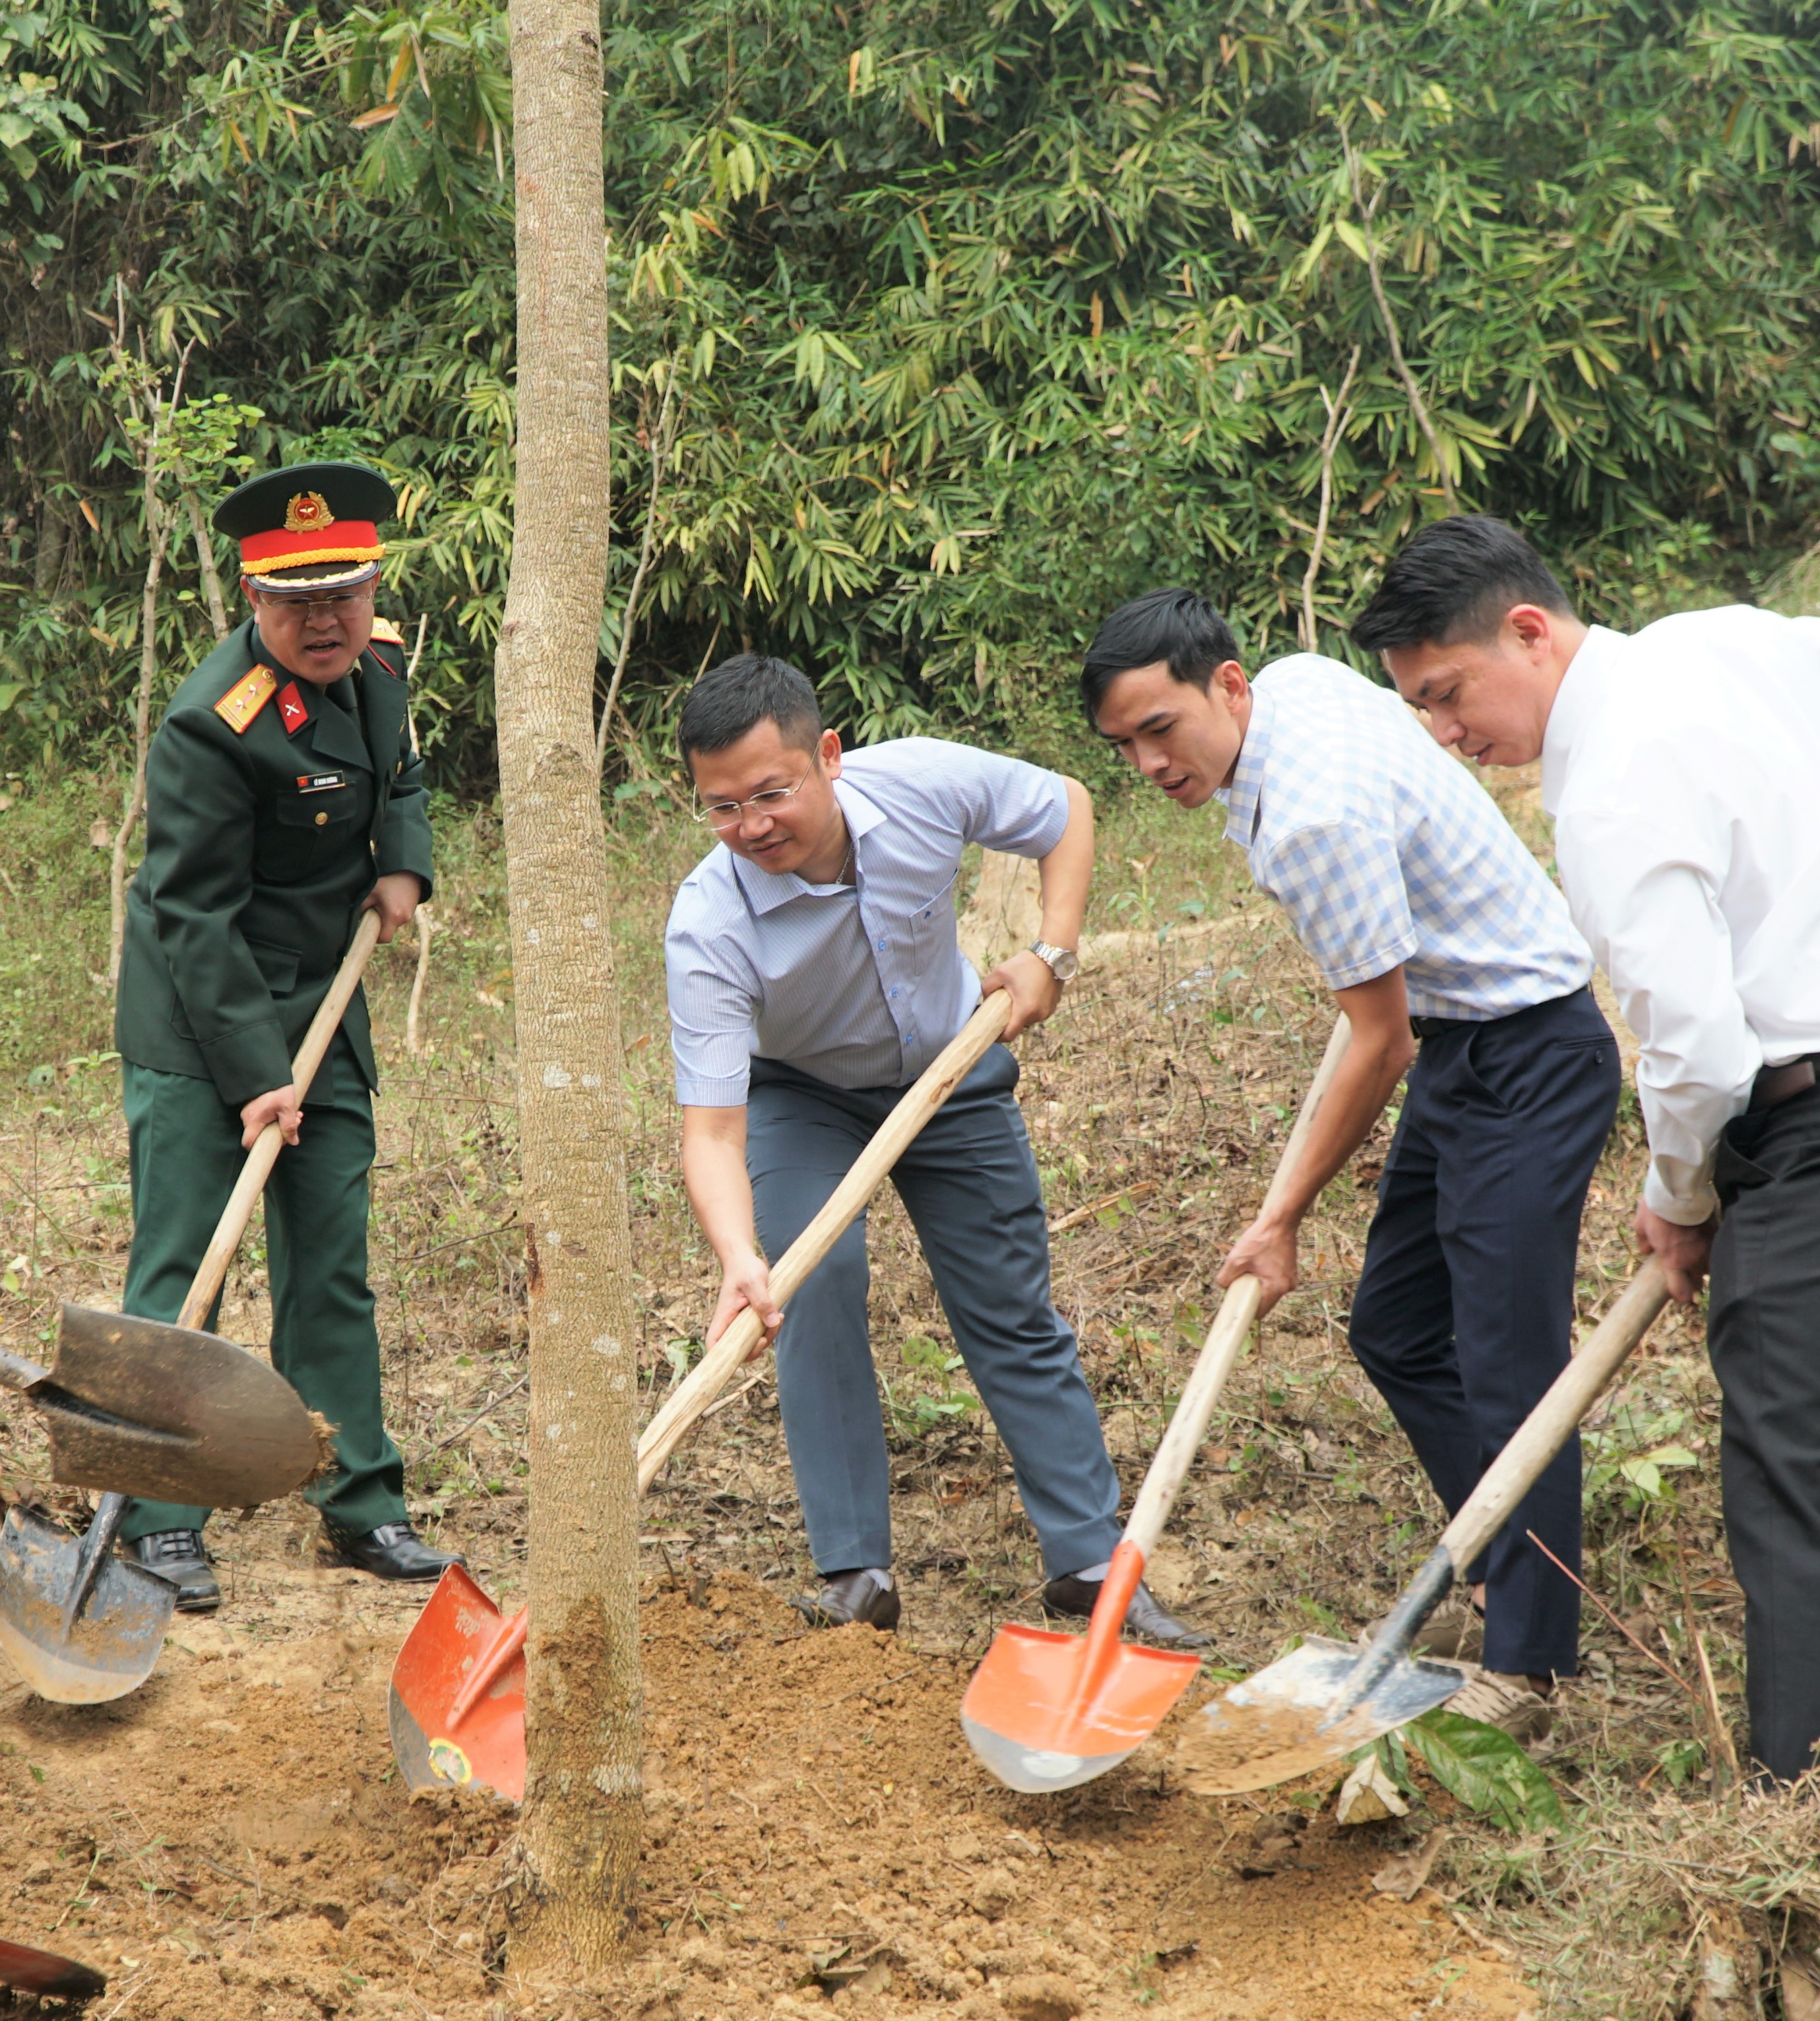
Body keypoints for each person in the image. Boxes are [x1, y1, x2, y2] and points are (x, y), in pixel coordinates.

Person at [1348, 514, 1820, 1948]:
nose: (1447, 731)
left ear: (1530, 632)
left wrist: (1678, 1197)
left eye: (1450, 693)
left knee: (1801, 1533)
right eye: (1419, 708)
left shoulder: (1607, 784)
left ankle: (1808, 1921)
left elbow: (1699, 1047)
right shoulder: (1729, 641)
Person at [1079, 590, 1616, 1739]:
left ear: (1227, 686)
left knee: (1509, 1360)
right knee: (1397, 1326)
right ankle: (1498, 1562)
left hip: (1529, 1050)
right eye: (1123, 745)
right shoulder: (1302, 687)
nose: (1148, 763)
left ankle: (1528, 1659)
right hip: (1468, 1039)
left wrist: (1278, 1218)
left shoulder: (1311, 819)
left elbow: (1380, 1041)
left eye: (1161, 728)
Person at [664, 652, 1177, 1643]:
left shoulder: (922, 783)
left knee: (1009, 1306)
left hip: (954, 1072)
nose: (752, 827)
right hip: (803, 1097)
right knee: (811, 1288)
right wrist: (740, 1258)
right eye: (722, 808)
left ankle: (1086, 1563)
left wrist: (1053, 951)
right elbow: (713, 1130)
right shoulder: (709, 925)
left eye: (772, 793)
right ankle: (857, 1578)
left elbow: (1065, 805)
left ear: (828, 756)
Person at [109, 459, 456, 1606]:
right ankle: (159, 1520)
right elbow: (190, 915)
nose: (325, 621)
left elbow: (400, 771)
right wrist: (257, 1076)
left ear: (370, 589)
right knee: (183, 1269)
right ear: (253, 600)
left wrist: (404, 859)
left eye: (344, 594)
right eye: (297, 600)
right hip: (204, 1017)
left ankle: (360, 1503)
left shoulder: (377, 665)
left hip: (324, 993)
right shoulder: (214, 724)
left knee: (331, 1261)